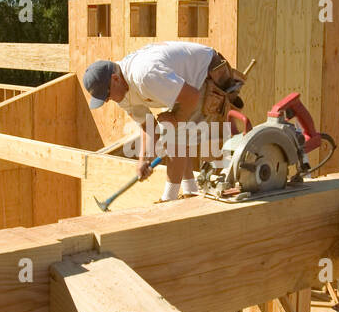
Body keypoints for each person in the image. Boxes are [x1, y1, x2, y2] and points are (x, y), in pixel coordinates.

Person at [82, 41, 238, 201]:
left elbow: (192, 96)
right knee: (174, 130)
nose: (108, 101)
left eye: (107, 95)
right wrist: (145, 159)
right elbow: (147, 125)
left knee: (174, 133)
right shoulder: (122, 91)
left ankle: (169, 200)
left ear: (115, 79)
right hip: (185, 87)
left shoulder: (145, 75)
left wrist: (177, 119)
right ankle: (190, 190)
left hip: (208, 73)